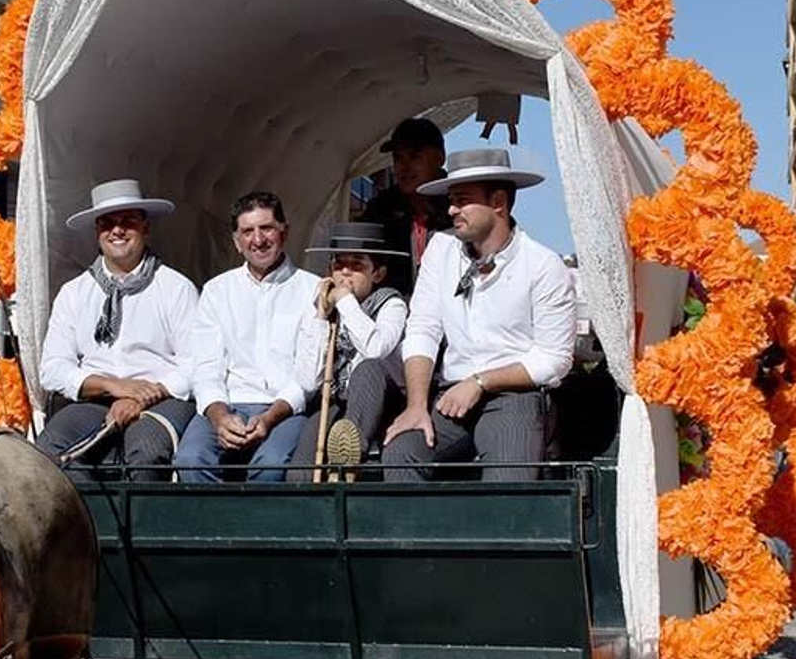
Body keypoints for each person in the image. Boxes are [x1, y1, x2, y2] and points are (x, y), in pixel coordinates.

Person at [381, 148, 576, 481]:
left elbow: (554, 359)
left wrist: (481, 381)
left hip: (515, 396)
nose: (452, 209)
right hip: (450, 394)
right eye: (451, 200)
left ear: (498, 201)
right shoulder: (441, 249)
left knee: (508, 477)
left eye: (462, 200)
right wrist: (416, 406)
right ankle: (413, 534)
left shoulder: (543, 265)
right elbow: (422, 330)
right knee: (401, 452)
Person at [37, 179, 198, 476]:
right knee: (52, 445)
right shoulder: (74, 293)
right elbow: (53, 368)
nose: (117, 231)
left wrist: (144, 393)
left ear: (145, 228)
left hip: (163, 398)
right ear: (97, 232)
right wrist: (113, 386)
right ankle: (87, 523)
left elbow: (195, 363)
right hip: (98, 398)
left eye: (128, 222)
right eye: (107, 223)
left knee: (146, 448)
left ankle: (144, 523)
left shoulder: (175, 288)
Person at [175, 191, 325, 482]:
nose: (258, 240)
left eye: (266, 228)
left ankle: (256, 528)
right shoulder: (217, 291)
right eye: (247, 232)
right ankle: (213, 528)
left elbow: (309, 375)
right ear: (236, 242)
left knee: (271, 466)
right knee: (190, 460)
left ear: (285, 232)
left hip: (284, 408)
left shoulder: (314, 289)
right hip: (228, 403)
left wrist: (270, 418)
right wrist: (219, 417)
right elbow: (206, 369)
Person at [296, 223, 409, 471]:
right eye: (339, 265)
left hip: (383, 399)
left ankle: (350, 455)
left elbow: (376, 349)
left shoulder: (392, 304)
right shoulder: (324, 308)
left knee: (368, 369)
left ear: (377, 274)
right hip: (339, 399)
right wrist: (320, 319)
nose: (345, 273)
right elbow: (307, 381)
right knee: (303, 458)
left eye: (357, 266)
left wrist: (345, 301)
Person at [362, 117, 454, 287]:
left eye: (414, 156)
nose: (404, 166)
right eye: (398, 158)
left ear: (440, 158)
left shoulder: (460, 205)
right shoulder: (380, 209)